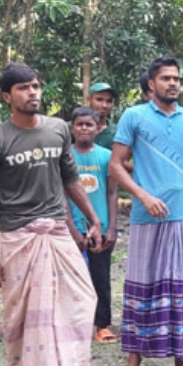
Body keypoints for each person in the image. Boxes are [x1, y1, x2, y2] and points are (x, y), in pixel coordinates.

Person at [0, 63, 102, 366]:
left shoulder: (58, 129)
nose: (32, 93)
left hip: (57, 232)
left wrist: (93, 218)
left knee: (80, 300)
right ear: (7, 97)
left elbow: (70, 178)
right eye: (23, 88)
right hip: (20, 237)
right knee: (23, 315)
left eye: (35, 86)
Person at [109, 56, 183, 366]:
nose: (173, 83)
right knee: (142, 286)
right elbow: (115, 165)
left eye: (176, 78)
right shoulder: (134, 116)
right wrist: (143, 196)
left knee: (180, 287)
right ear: (151, 84)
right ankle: (133, 365)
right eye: (166, 78)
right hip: (145, 218)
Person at [65, 107, 119, 345]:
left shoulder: (107, 156)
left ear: (98, 128)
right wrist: (71, 228)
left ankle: (103, 324)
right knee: (71, 277)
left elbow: (112, 193)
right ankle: (73, 323)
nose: (84, 128)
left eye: (89, 124)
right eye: (80, 124)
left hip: (101, 227)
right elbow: (61, 194)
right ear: (72, 128)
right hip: (73, 227)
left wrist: (112, 227)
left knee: (101, 277)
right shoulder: (64, 156)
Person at [87, 82, 118, 149]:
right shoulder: (73, 129)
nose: (104, 105)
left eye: (109, 101)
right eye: (99, 99)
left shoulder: (117, 132)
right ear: (89, 100)